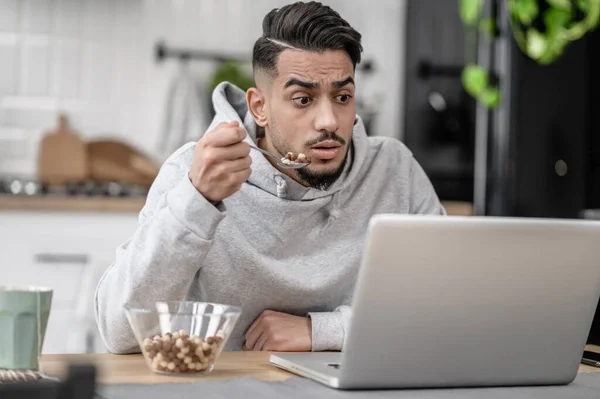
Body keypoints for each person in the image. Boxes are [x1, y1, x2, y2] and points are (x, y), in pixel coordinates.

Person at [95, 1, 446, 354]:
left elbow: (449, 309)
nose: (328, 121)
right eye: (303, 99)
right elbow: (120, 333)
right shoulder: (195, 171)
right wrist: (196, 200)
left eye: (342, 96)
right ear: (259, 107)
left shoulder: (394, 169)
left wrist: (323, 331)